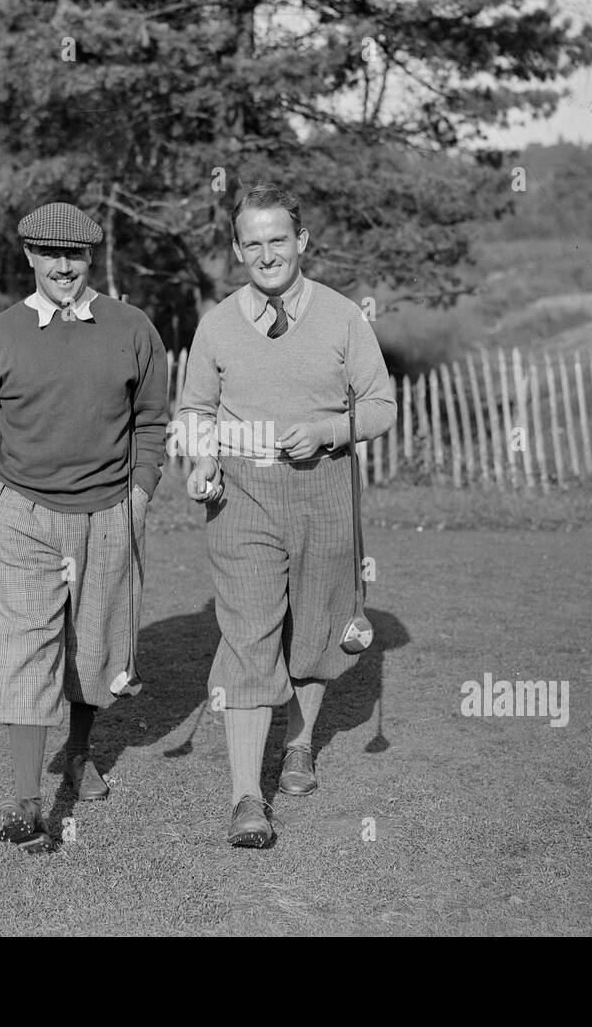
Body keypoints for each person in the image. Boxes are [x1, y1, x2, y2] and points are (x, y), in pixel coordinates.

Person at [175, 184, 396, 848]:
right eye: (253, 243)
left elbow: (381, 405)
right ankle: (247, 796)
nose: (267, 253)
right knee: (247, 633)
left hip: (324, 490)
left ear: (301, 242)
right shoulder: (216, 323)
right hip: (240, 496)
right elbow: (192, 413)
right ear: (239, 250)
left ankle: (299, 742)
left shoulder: (342, 317)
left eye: (279, 239)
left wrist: (330, 429)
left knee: (318, 624)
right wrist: (200, 458)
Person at [0, 202, 168, 854]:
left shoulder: (132, 328)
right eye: (50, 253)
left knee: (91, 641)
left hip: (107, 509)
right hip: (22, 511)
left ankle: (78, 753)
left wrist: (139, 492)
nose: (63, 265)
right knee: (25, 640)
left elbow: (152, 424)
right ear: (29, 257)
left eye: (74, 254)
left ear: (90, 256)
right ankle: (26, 798)